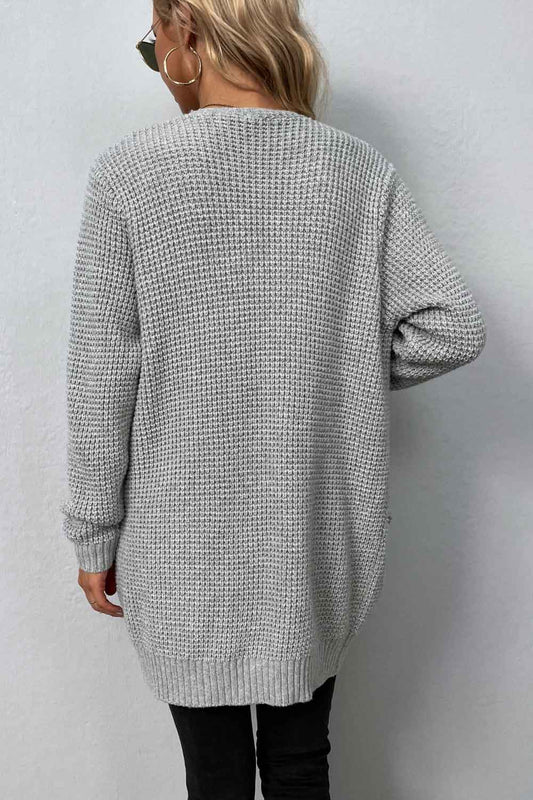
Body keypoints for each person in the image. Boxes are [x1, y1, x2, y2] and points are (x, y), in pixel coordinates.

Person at [59, 1, 487, 797]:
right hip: (311, 531)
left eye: (154, 43)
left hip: (178, 539)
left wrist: (93, 535)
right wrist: (333, 372)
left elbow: (101, 377)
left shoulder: (129, 174)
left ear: (188, 30)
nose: (157, 61)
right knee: (300, 760)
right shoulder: (356, 170)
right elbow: (450, 326)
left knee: (213, 774)